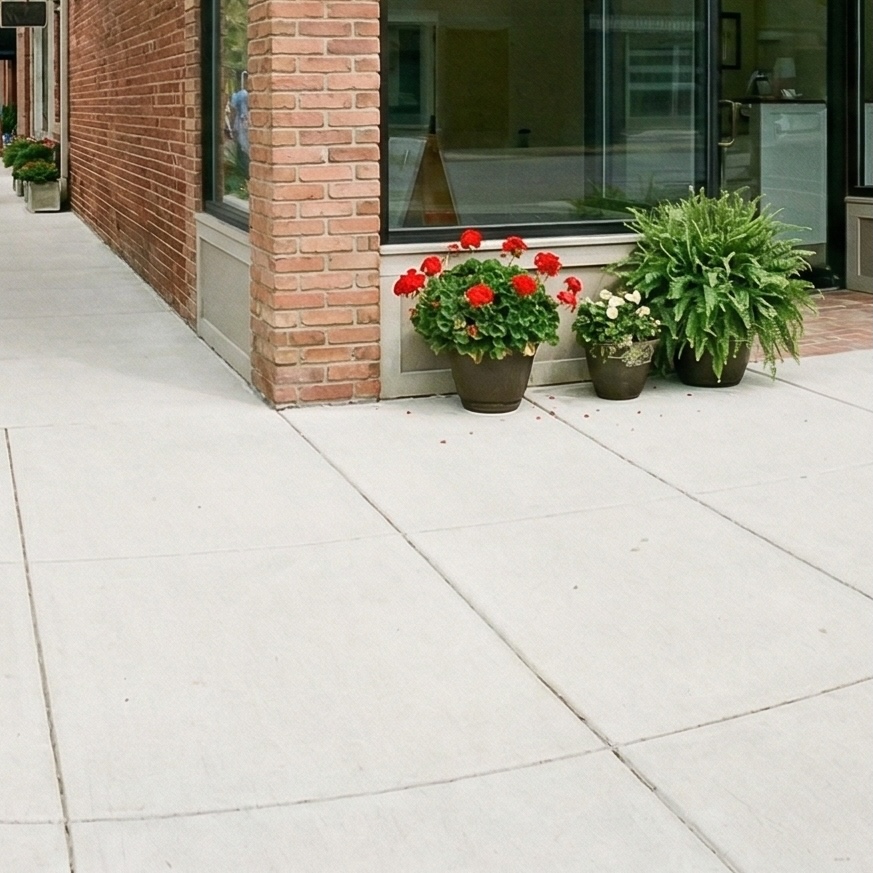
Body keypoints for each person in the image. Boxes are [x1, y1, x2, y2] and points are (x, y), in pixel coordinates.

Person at [229, 71, 250, 175]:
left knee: (243, 145)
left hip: (242, 123)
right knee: (244, 145)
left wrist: (232, 126)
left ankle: (244, 170)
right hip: (244, 122)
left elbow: (233, 111)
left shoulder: (241, 94)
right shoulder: (241, 94)